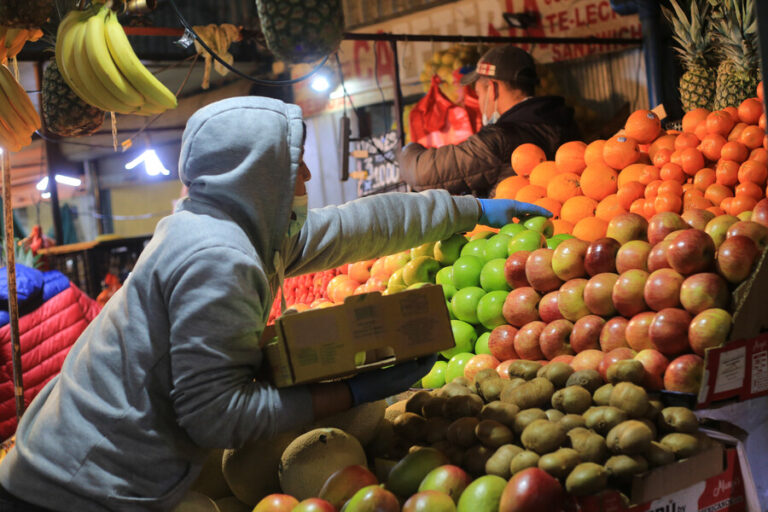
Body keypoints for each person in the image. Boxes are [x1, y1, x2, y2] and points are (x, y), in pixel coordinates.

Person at [0, 96, 549, 511]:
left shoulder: (229, 227)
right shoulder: (219, 258)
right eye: (294, 167)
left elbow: (355, 226)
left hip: (88, 464)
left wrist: (469, 207)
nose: (308, 176)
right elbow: (217, 418)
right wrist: (351, 392)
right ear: (254, 176)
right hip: (74, 486)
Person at [399, 45, 581, 198]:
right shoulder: (565, 123)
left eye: (478, 93)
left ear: (493, 88)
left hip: (515, 234)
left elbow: (422, 173)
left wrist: (406, 151)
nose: (478, 101)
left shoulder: (498, 139)